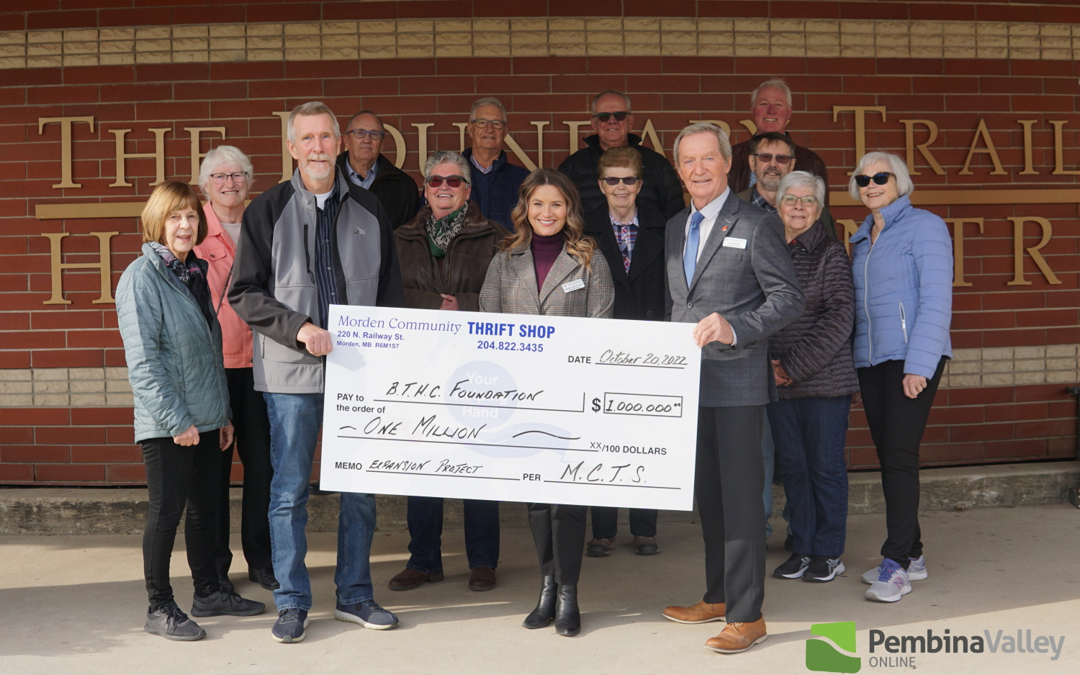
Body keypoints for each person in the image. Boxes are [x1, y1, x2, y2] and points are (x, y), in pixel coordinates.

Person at [229, 101, 404, 643]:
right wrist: (299, 327)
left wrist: (394, 360)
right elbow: (243, 292)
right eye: (308, 138)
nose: (319, 147)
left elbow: (391, 294)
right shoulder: (268, 209)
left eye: (327, 137)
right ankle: (292, 601)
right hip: (291, 376)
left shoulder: (371, 208)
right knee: (288, 492)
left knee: (360, 490)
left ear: (341, 143)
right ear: (292, 147)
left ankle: (354, 595)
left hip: (359, 376)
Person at [660, 123, 803, 654]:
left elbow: (788, 298)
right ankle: (719, 596)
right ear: (680, 170)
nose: (699, 168)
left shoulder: (757, 223)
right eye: (688, 161)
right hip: (689, 385)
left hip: (739, 381)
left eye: (707, 159)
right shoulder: (677, 225)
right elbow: (679, 304)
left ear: (727, 164)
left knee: (743, 501)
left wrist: (736, 327)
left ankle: (748, 615)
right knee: (711, 499)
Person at [117, 180, 264, 642]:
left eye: (192, 217)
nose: (185, 225)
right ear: (157, 221)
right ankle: (159, 608)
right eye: (175, 216)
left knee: (206, 510)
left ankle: (210, 592)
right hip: (170, 424)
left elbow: (207, 350)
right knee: (166, 515)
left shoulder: (192, 271)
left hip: (205, 419)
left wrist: (220, 415)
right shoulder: (141, 277)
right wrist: (177, 420)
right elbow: (144, 361)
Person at [480, 169, 614, 637]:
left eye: (556, 204)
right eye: (538, 204)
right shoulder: (504, 259)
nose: (546, 213)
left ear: (570, 209)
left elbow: (601, 326)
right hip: (521, 402)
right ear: (525, 209)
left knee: (568, 503)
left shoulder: (589, 258)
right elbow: (487, 325)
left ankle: (570, 593)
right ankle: (546, 586)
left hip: (570, 399)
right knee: (537, 501)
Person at [389, 151, 509, 593]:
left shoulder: (496, 237)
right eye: (436, 180)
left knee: (478, 462)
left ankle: (482, 559)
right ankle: (423, 559)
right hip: (418, 365)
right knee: (422, 463)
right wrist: (435, 305)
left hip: (477, 364)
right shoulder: (399, 237)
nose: (444, 187)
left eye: (454, 181)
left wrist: (466, 306)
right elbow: (386, 295)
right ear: (425, 187)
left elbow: (509, 297)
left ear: (468, 189)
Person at [848, 152, 952, 603]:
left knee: (899, 454)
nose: (872, 184)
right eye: (863, 178)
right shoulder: (862, 237)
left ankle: (898, 564)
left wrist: (919, 364)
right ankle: (915, 552)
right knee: (890, 456)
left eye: (881, 177)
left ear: (899, 181)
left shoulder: (924, 226)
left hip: (910, 357)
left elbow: (936, 299)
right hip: (872, 359)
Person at [765, 171, 859, 583]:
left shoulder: (831, 253)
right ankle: (802, 547)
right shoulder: (767, 249)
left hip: (823, 384)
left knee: (824, 468)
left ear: (819, 210)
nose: (798, 206)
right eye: (791, 199)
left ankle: (828, 551)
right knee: (795, 469)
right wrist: (770, 367)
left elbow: (840, 318)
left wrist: (791, 367)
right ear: (778, 205)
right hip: (778, 385)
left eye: (808, 201)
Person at [191, 146, 277, 594]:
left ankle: (261, 561)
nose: (230, 183)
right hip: (215, 368)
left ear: (249, 180)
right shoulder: (192, 230)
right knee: (214, 473)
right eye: (220, 176)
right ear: (206, 184)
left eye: (238, 174)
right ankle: (217, 566)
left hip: (263, 364)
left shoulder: (263, 225)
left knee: (263, 468)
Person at [581, 146, 666, 558]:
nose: (620, 187)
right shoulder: (582, 231)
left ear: (639, 184)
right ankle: (603, 530)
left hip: (651, 348)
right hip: (603, 346)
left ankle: (645, 528)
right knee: (602, 436)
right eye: (612, 180)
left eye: (627, 180)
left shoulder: (664, 228)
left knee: (645, 434)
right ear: (601, 185)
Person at [557, 89, 685, 218]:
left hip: (647, 238)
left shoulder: (657, 163)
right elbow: (559, 214)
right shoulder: (572, 166)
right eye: (603, 116)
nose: (612, 121)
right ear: (594, 124)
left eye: (619, 115)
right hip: (587, 238)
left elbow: (676, 217)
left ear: (630, 121)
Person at [727, 79, 830, 205]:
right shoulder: (731, 157)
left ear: (789, 111)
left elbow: (820, 216)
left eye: (778, 104)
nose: (771, 111)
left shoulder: (810, 162)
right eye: (764, 104)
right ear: (752, 110)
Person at [737, 132, 836, 239]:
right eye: (765, 157)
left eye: (781, 158)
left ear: (791, 165)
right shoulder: (731, 207)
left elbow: (830, 252)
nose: (773, 164)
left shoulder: (814, 210)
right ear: (752, 162)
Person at [335, 109, 419, 229]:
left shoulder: (404, 186)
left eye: (374, 134)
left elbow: (409, 239)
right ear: (346, 141)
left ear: (382, 144)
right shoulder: (328, 178)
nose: (367, 140)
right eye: (360, 133)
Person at [462, 96, 531, 230]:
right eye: (482, 122)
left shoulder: (524, 180)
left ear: (505, 131)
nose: (489, 129)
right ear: (470, 129)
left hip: (509, 250)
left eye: (497, 123)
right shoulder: (448, 178)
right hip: (461, 251)